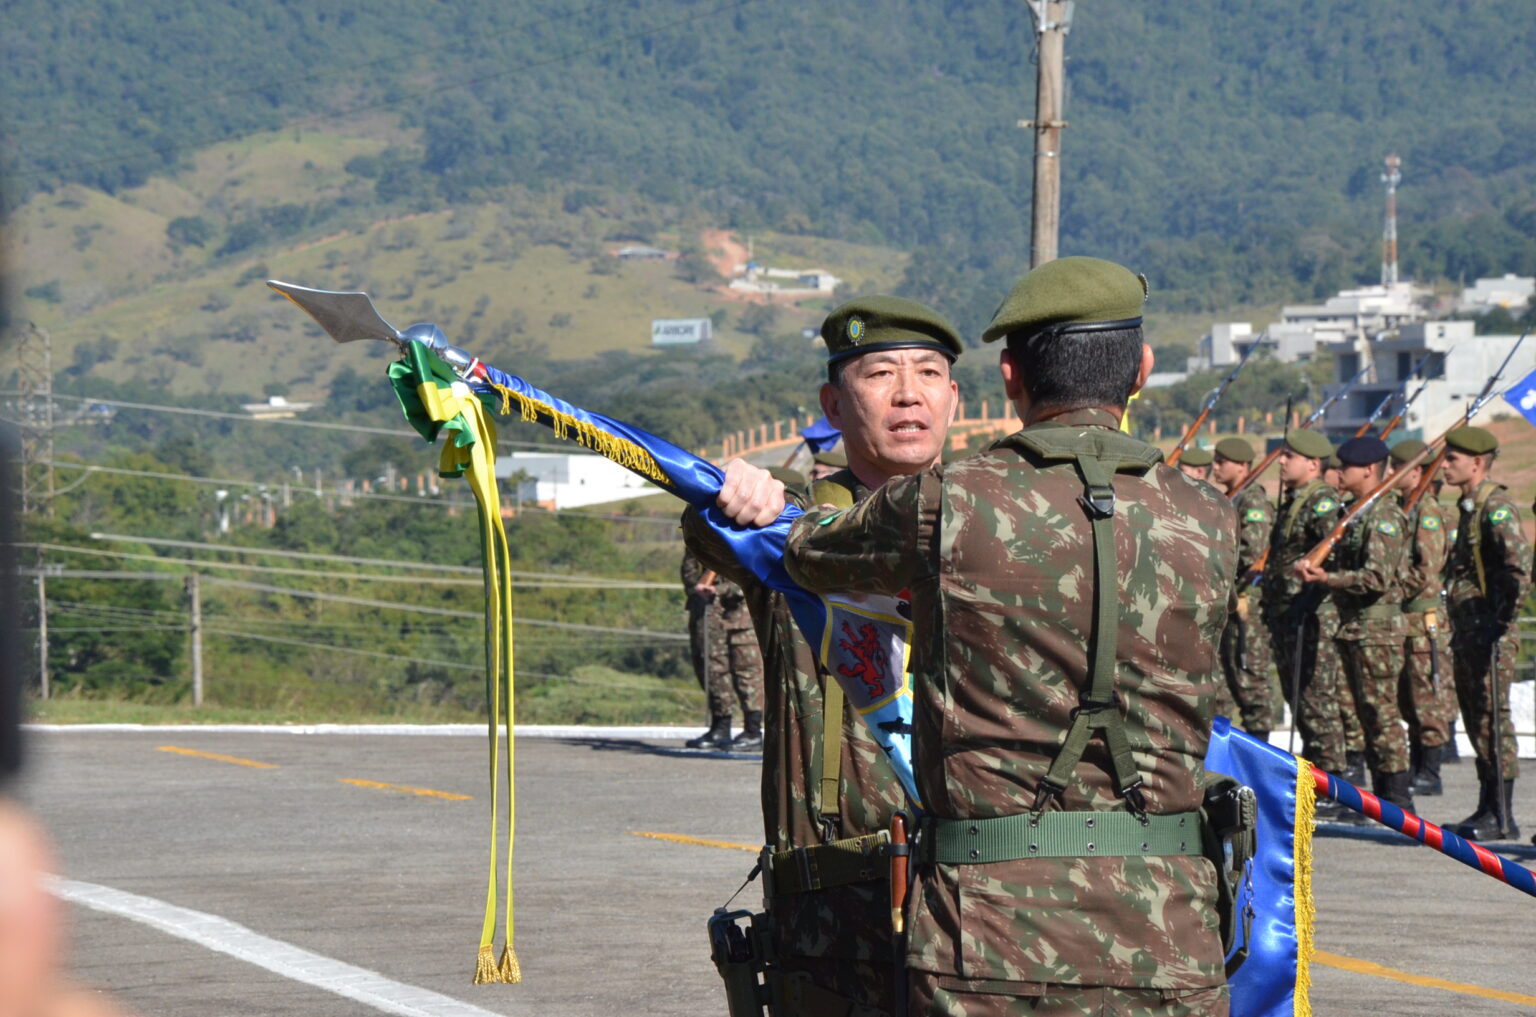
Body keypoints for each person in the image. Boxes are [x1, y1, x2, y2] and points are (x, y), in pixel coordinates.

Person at [783, 257, 1234, 1016]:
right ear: (1143, 370)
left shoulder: (948, 500)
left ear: (1009, 374)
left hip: (988, 937)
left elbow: (805, 551)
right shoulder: (1211, 515)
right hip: (1170, 934)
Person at [687, 295, 963, 1015]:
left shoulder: (991, 534)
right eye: (880, 374)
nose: (909, 393)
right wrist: (728, 498)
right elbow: (712, 532)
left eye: (929, 372)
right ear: (833, 404)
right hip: (829, 916)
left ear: (955, 397)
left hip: (972, 908)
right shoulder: (792, 538)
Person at [1294, 436, 1413, 812]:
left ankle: (1397, 799)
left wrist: (1328, 579)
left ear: (1368, 470)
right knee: (1355, 715)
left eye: (1345, 468)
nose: (1338, 473)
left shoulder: (1384, 516)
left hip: (1376, 634)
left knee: (1381, 716)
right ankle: (1371, 800)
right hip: (1353, 630)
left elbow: (1376, 578)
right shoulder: (1357, 512)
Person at [1440, 426, 1531, 841]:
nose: (1443, 466)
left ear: (1476, 463)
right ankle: (1487, 805)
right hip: (1470, 631)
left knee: (1494, 719)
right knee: (1478, 719)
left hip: (1491, 632)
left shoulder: (1496, 507)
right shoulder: (1469, 507)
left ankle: (1503, 813)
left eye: (1452, 459)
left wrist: (1502, 619)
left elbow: (1518, 569)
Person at [1261, 429, 1356, 783]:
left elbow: (1334, 552)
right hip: (1288, 613)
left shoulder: (1323, 502)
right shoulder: (1295, 499)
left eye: (1290, 456)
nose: (1281, 461)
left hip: (1312, 613)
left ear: (1313, 464)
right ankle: (1317, 776)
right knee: (1299, 697)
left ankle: (1335, 779)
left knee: (1318, 700)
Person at [1388, 439, 1456, 796]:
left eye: (1396, 467)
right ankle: (1419, 765)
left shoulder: (1426, 510)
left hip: (1422, 622)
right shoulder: (1404, 508)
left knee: (1426, 699)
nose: (1389, 474)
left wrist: (1390, 588)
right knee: (1408, 700)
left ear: (1415, 472)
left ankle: (1430, 771)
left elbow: (1426, 571)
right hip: (1406, 621)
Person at [1210, 437, 1281, 740]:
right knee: (1225, 683)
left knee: (1250, 682)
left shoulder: (1253, 500)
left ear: (1241, 466)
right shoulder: (1232, 497)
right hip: (1230, 601)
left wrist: (1215, 566)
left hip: (1246, 603)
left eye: (1221, 462)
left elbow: (1252, 549)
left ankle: (1261, 755)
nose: (1215, 467)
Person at [680, 548, 765, 751]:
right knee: (712, 668)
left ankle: (753, 731)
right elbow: (689, 566)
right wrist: (695, 587)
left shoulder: (744, 535)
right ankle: (720, 726)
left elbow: (754, 573)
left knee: (747, 672)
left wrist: (724, 590)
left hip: (739, 612)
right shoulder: (702, 533)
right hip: (707, 610)